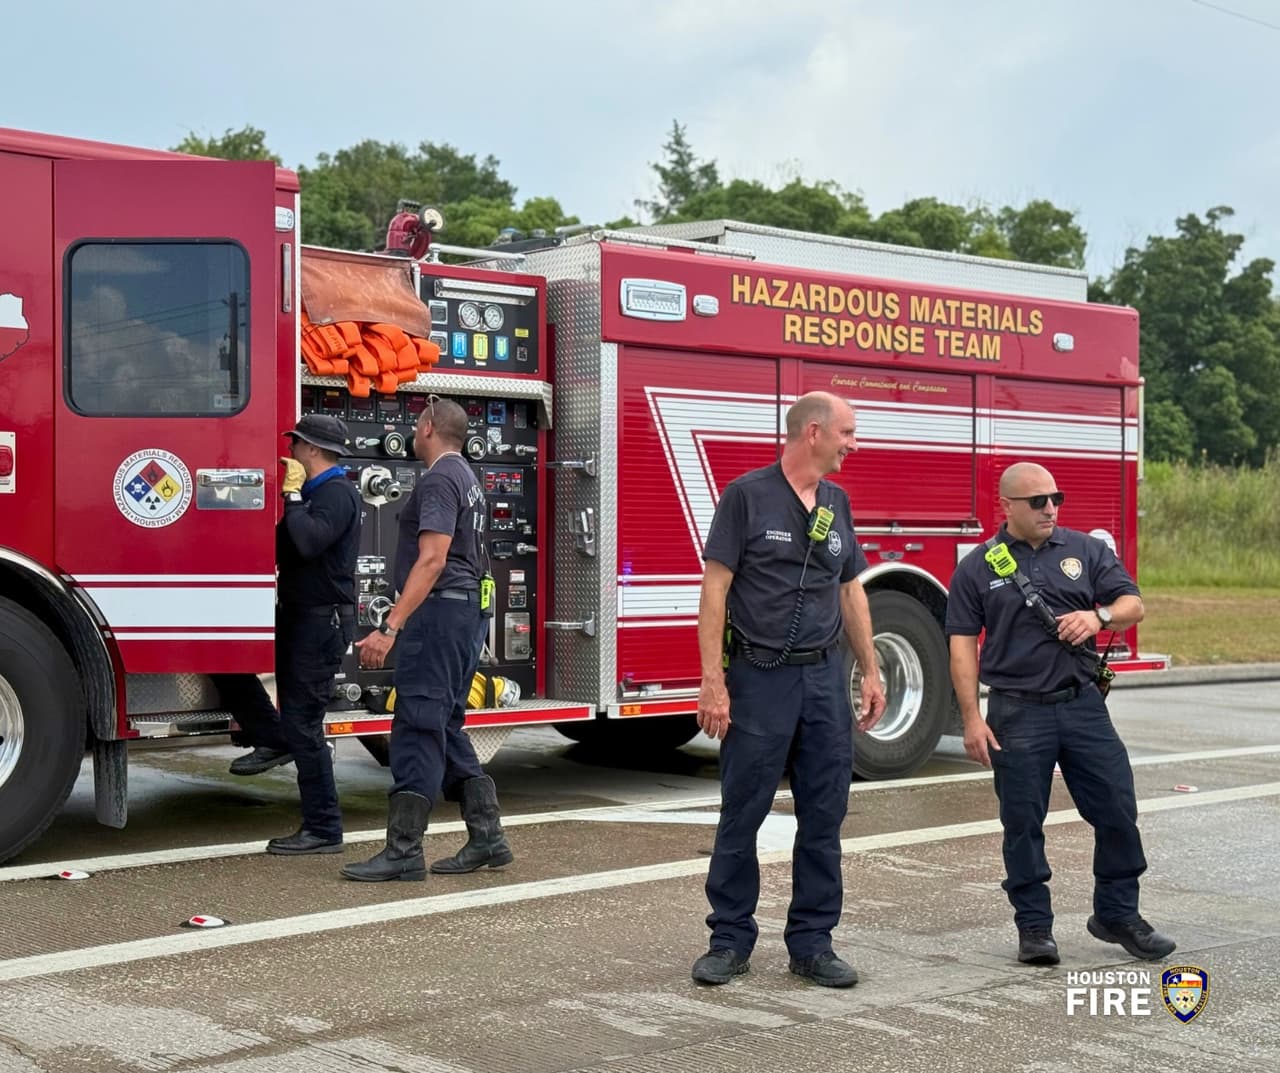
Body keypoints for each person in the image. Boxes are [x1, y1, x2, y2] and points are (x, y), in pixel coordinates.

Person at [946, 461, 1177, 966]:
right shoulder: (979, 567)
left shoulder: (1085, 551)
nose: (1050, 508)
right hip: (1016, 711)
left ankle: (1117, 914)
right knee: (1022, 823)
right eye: (1038, 501)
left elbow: (1132, 604)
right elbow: (962, 645)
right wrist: (970, 717)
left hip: (1082, 706)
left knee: (1117, 808)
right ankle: (1034, 928)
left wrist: (1098, 616)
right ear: (1006, 506)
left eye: (1056, 499)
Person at [691, 391, 886, 988]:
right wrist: (713, 681)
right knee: (741, 812)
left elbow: (851, 589)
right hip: (759, 680)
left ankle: (813, 944)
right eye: (847, 433)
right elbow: (715, 591)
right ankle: (729, 940)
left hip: (824, 681)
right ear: (813, 433)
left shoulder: (837, 502)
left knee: (824, 815)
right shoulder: (747, 497)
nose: (854, 444)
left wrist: (870, 668)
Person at [342, 394, 512, 882]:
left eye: (417, 424)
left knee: (417, 721)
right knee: (446, 721)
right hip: (466, 614)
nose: (413, 432)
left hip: (439, 615)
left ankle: (403, 851)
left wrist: (389, 626)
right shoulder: (468, 478)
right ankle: (487, 837)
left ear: (429, 427)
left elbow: (433, 559)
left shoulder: (438, 478)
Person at [216, 413, 361, 855]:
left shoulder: (336, 493)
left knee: (305, 727)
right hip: (299, 616)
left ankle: (323, 829)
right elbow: (282, 544)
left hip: (321, 623)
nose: (290, 453)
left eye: (296, 445)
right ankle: (273, 738)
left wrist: (293, 494)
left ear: (312, 450)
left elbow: (307, 542)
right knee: (231, 665)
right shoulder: (317, 494)